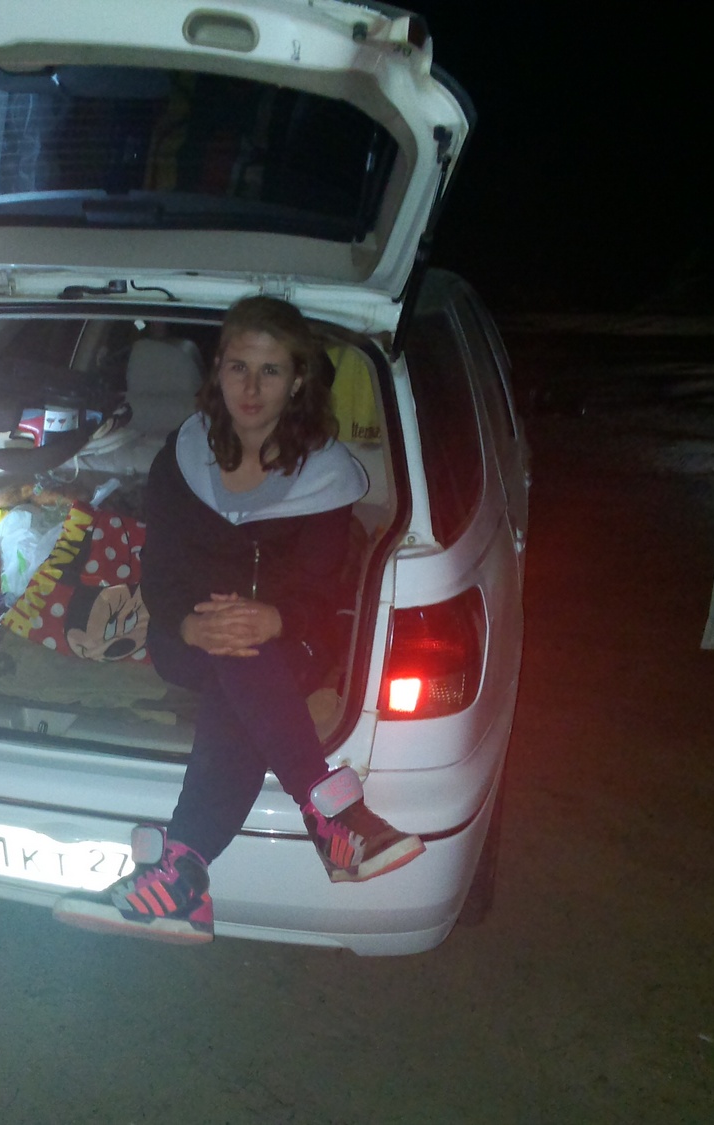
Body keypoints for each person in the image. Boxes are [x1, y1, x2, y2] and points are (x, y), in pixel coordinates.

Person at [52, 297, 424, 944]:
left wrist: (274, 618)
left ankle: (180, 877)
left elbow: (322, 592)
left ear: (298, 380)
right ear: (217, 371)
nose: (250, 389)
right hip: (189, 637)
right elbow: (160, 569)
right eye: (237, 368)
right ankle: (332, 814)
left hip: (291, 641)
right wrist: (187, 624)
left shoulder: (328, 475)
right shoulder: (181, 457)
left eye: (270, 371)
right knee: (233, 653)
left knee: (243, 663)